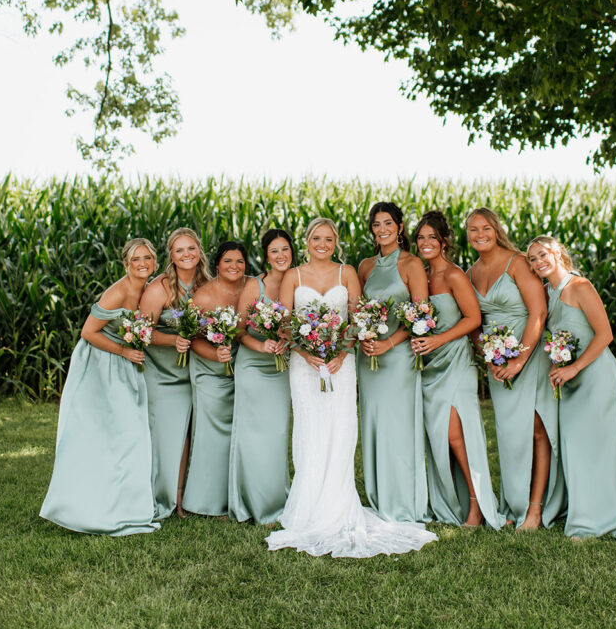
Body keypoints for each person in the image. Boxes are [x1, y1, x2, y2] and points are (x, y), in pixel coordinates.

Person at [266, 217, 437, 557]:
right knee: (310, 430)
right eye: (317, 237)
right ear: (307, 239)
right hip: (305, 366)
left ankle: (339, 503)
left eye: (329, 238)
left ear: (336, 242)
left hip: (341, 366)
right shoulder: (293, 276)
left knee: (341, 430)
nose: (323, 244)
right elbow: (284, 322)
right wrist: (306, 351)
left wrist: (342, 353)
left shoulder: (347, 273)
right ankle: (309, 506)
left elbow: (357, 317)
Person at [40, 238, 160, 535]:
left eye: (147, 258)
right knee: (107, 433)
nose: (142, 263)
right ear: (125, 263)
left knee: (129, 434)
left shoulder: (150, 288)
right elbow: (88, 331)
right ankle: (90, 506)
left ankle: (127, 503)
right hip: (100, 363)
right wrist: (122, 351)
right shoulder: (118, 291)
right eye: (136, 259)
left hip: (124, 362)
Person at [527, 236, 616, 540]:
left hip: (597, 378)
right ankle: (584, 513)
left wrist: (574, 367)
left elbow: (605, 335)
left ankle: (605, 519)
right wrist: (557, 363)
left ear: (557, 253)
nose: (538, 262)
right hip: (570, 381)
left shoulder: (580, 287)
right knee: (577, 449)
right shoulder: (547, 292)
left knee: (603, 448)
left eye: (543, 255)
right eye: (533, 259)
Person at [467, 208, 565, 531]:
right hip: (498, 363)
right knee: (509, 435)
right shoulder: (470, 273)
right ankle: (514, 504)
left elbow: (538, 312)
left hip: (528, 355)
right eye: (472, 230)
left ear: (496, 230)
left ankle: (535, 510)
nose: (480, 235)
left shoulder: (518, 262)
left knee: (536, 429)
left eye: (485, 228)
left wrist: (519, 359)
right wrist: (489, 356)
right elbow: (474, 322)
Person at [413, 211, 504, 529]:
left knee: (456, 435)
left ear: (444, 241)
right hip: (431, 365)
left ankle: (477, 507)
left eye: (432, 238)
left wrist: (437, 340)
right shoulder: (421, 276)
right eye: (421, 238)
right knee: (440, 436)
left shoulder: (454, 275)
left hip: (455, 362)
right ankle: (452, 501)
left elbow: (473, 319)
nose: (426, 243)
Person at [357, 202, 429, 522]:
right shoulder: (365, 266)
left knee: (396, 426)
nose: (382, 229)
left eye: (388, 223)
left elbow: (422, 316)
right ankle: (377, 495)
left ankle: (400, 498)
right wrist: (364, 336)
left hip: (398, 357)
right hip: (369, 357)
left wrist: (389, 342)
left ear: (400, 228)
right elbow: (357, 310)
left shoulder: (412, 264)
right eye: (376, 224)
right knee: (373, 423)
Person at [140, 227, 210, 519]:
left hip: (199, 369)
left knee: (193, 435)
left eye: (191, 249)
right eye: (179, 250)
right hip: (164, 373)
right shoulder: (160, 287)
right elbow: (141, 332)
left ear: (199, 251)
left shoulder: (208, 284)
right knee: (170, 436)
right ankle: (166, 497)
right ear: (171, 255)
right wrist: (172, 340)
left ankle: (185, 496)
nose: (186, 255)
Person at [229, 228, 294, 524]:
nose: (281, 256)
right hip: (253, 367)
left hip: (281, 370)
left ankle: (278, 498)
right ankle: (251, 502)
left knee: (278, 433)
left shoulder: (298, 282)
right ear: (266, 256)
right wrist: (262, 343)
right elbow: (239, 332)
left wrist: (290, 339)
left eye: (285, 249)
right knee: (253, 435)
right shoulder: (256, 287)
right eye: (274, 251)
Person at [182, 240, 247, 517]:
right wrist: (214, 356)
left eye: (240, 262)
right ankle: (204, 501)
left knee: (238, 433)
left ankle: (237, 495)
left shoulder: (251, 288)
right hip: (209, 370)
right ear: (217, 264)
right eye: (228, 261)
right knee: (212, 434)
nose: (234, 266)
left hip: (241, 369)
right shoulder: (204, 297)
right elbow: (191, 339)